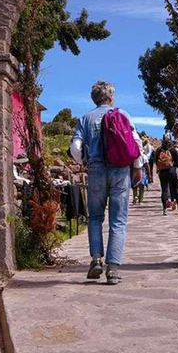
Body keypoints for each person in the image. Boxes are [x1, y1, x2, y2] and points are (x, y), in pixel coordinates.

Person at [70, 81, 144, 285]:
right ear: (111, 97)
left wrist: (84, 161)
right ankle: (113, 269)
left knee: (94, 217)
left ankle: (95, 259)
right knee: (118, 219)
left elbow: (76, 147)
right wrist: (137, 167)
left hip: (95, 169)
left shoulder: (85, 119)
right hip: (120, 170)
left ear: (94, 98)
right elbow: (136, 143)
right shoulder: (123, 115)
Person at [152, 138, 178, 216]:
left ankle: (164, 209)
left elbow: (155, 161)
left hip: (162, 173)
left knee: (164, 190)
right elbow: (177, 163)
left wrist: (159, 168)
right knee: (175, 189)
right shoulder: (173, 151)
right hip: (171, 171)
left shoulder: (159, 150)